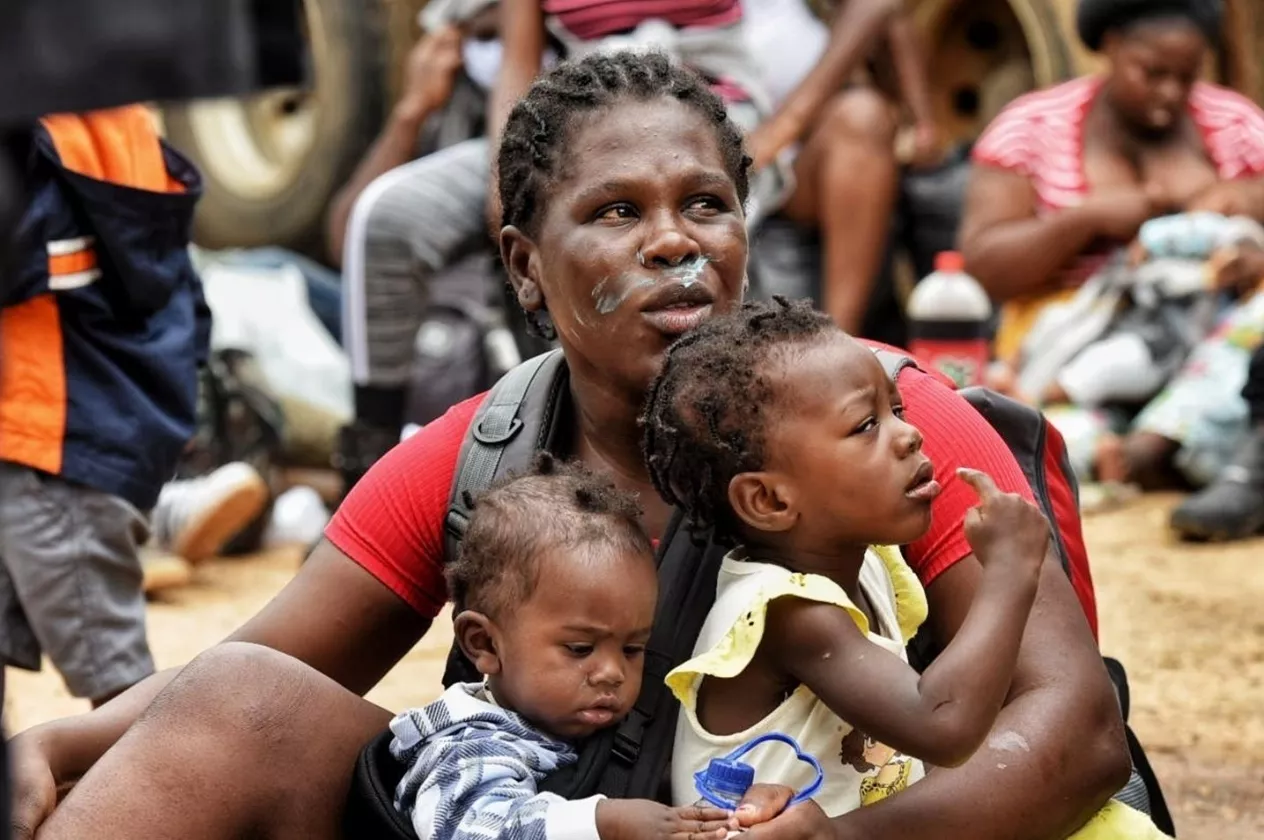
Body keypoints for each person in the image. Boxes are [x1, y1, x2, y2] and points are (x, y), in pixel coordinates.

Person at [17, 53, 1128, 840]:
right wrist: (60, 750)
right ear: (522, 263)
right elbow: (260, 679)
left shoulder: (875, 414)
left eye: (706, 204)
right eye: (611, 214)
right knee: (232, 705)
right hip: (571, 825)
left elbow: (1074, 734)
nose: (671, 245)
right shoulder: (482, 449)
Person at [645, 299, 1163, 837]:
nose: (909, 436)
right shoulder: (785, 610)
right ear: (769, 501)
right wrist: (1009, 577)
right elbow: (941, 725)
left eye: (898, 411)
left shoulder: (868, 566)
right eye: (866, 425)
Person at [337, 0, 904, 488]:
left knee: (685, 242)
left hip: (705, 122)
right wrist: (502, 176)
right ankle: (368, 456)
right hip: (575, 129)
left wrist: (785, 126)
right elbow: (518, 63)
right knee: (387, 215)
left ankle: (821, 387)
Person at [959, 0, 1264, 488]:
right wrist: (1086, 221)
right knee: (1046, 442)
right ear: (1111, 46)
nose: (1170, 93)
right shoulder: (1031, 127)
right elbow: (982, 266)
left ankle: (1158, 441)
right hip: (1073, 351)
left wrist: (1239, 209)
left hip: (1205, 342)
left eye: (1186, 77)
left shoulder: (1232, 123)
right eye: (1152, 72)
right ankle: (1152, 447)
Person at [390, 454, 740, 839]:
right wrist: (602, 823)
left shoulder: (592, 726)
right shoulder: (468, 749)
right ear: (484, 643)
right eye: (579, 648)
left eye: (632, 649)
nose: (612, 673)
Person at [0, 105, 207, 709]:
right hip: (94, 418)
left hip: (49, 440)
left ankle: (156, 800)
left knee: (119, 691)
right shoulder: (117, 112)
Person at [744, 0, 940, 334]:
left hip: (794, 159)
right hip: (705, 140)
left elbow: (880, 6)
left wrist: (922, 122)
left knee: (862, 117)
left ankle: (841, 341)